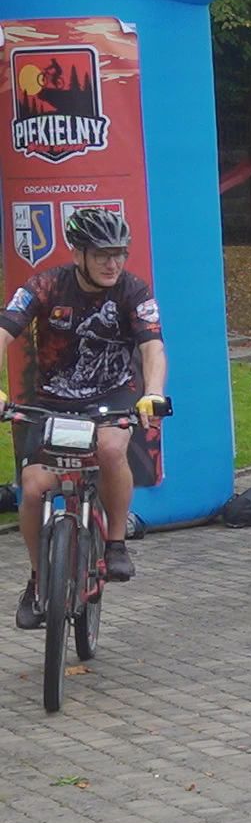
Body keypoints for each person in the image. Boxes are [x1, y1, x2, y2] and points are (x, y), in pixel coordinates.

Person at [1, 208, 167, 627]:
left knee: (112, 448)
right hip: (53, 402)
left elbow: (152, 348)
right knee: (34, 485)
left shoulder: (134, 290)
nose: (113, 263)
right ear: (78, 254)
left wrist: (152, 393)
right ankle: (40, 578)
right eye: (102, 255)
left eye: (119, 254)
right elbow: (3, 331)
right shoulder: (44, 284)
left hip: (112, 397)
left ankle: (114, 544)